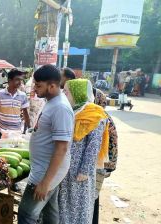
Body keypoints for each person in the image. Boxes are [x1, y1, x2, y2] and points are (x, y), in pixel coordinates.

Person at [18, 64, 74, 224]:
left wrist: (45, 183)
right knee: (50, 211)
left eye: (38, 85)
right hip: (46, 168)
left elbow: (62, 148)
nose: (35, 88)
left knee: (26, 215)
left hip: (45, 173)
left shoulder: (61, 108)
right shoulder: (52, 101)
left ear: (52, 86)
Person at [58, 79, 109, 224]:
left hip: (79, 173)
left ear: (77, 93)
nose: (63, 94)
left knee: (77, 209)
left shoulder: (95, 115)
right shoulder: (71, 111)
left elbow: (93, 146)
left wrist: (84, 171)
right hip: (64, 170)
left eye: (66, 92)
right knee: (63, 208)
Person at [92, 88, 119, 224]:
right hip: (102, 164)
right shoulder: (103, 115)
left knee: (92, 196)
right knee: (93, 197)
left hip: (99, 165)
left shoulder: (99, 117)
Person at [0, 69, 30, 143]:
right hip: (1, 131)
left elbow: (26, 114)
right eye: (17, 80)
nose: (20, 82)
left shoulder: (23, 95)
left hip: (16, 132)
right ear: (9, 80)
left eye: (21, 80)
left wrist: (27, 129)